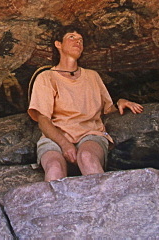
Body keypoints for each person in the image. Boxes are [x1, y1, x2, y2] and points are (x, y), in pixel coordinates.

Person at [28, 26, 144, 181]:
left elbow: (107, 110)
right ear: (58, 44)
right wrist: (65, 145)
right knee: (55, 167)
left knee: (87, 157)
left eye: (81, 40)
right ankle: (56, 205)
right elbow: (43, 121)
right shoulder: (46, 78)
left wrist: (121, 102)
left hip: (90, 135)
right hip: (55, 139)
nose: (78, 42)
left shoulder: (92, 76)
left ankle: (103, 202)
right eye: (72, 37)